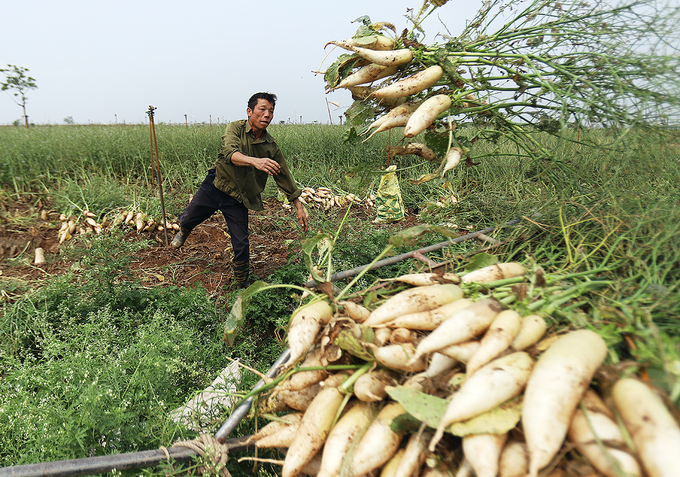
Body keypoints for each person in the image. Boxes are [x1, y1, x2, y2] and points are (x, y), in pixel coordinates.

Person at [171, 92, 308, 288]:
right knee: (189, 217)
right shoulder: (235, 128)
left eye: (271, 111)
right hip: (217, 185)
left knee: (241, 242)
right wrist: (255, 162)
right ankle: (184, 230)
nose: (267, 115)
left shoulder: (270, 146)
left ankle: (241, 284)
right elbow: (229, 153)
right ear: (249, 111)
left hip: (238, 197)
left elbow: (283, 174)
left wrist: (298, 205)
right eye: (262, 109)